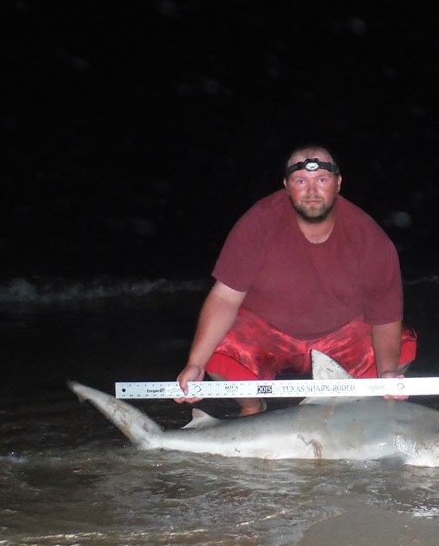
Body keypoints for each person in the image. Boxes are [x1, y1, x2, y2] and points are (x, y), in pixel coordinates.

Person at [175, 145, 417, 415]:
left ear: (338, 183)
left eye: (321, 180)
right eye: (301, 181)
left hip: (340, 336)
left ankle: (346, 410)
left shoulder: (369, 237)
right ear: (286, 186)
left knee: (403, 345)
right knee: (217, 351)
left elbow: (385, 316)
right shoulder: (259, 222)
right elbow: (224, 298)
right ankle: (253, 408)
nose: (312, 191)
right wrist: (195, 363)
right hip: (268, 334)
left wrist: (386, 373)